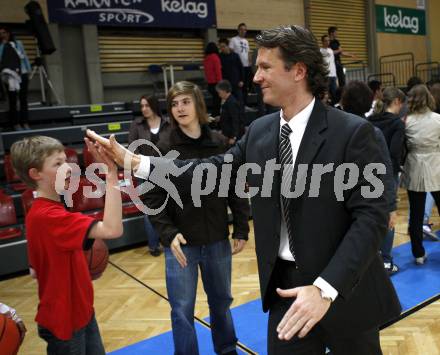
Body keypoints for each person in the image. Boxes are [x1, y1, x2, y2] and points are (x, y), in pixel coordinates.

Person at [87, 25, 401, 355]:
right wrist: (137, 163)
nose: (256, 77)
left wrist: (324, 289)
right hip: (285, 290)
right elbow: (209, 171)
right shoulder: (260, 132)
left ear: (298, 71)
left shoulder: (354, 132)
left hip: (344, 288)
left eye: (266, 67)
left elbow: (371, 219)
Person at [145, 81, 250, 355]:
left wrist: (241, 227)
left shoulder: (218, 142)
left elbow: (234, 187)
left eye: (185, 102)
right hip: (181, 245)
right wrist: (168, 234)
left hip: (216, 239)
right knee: (181, 310)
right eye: (174, 104)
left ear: (198, 105)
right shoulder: (163, 147)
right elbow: (152, 198)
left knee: (222, 303)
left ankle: (227, 350)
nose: (180, 108)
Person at [10, 135, 123, 354]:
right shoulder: (49, 216)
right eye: (58, 164)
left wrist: (78, 268)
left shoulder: (38, 211)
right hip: (66, 323)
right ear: (36, 174)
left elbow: (35, 271)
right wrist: (111, 174)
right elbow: (113, 229)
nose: (68, 168)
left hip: (79, 312)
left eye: (66, 161)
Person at [342, 82, 403, 275]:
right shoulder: (370, 131)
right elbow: (385, 169)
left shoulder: (336, 129)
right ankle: (383, 260)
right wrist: (391, 206)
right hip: (365, 196)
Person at [400, 84, 440, 264]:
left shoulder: (406, 121)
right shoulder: (438, 119)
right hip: (436, 165)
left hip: (414, 166)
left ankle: (418, 254)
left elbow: (404, 146)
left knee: (415, 213)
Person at [129, 95, 170, 256]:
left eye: (147, 105)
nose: (144, 109)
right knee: (149, 210)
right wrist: (141, 164)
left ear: (154, 106)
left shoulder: (167, 123)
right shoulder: (136, 125)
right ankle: (153, 246)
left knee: (168, 206)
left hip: (165, 170)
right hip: (144, 172)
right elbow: (132, 147)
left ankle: (168, 240)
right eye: (142, 106)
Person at [0, 26, 31, 131]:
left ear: (9, 33)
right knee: (12, 99)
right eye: (1, 33)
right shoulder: (1, 46)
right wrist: (4, 45)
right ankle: (15, 123)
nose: (3, 35)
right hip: (9, 75)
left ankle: (25, 122)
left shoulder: (18, 43)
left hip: (22, 73)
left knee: (23, 99)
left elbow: (24, 57)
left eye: (4, 32)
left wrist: (28, 69)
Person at [216, 79, 244, 145]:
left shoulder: (231, 102)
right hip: (228, 133)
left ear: (224, 91)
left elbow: (235, 120)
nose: (218, 95)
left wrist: (233, 137)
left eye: (219, 92)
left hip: (232, 136)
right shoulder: (227, 100)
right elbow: (229, 115)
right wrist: (221, 117)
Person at [229, 23, 252, 105]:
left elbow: (248, 53)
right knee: (238, 87)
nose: (243, 31)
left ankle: (244, 104)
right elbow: (231, 52)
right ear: (238, 30)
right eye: (241, 29)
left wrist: (250, 63)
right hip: (238, 67)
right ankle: (238, 104)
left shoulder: (246, 41)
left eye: (245, 30)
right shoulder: (233, 40)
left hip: (246, 67)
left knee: (246, 87)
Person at [218, 38, 244, 105]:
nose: (222, 48)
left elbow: (240, 68)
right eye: (220, 47)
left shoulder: (235, 55)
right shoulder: (220, 57)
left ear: (227, 46)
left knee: (240, 101)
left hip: (236, 82)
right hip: (226, 84)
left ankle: (241, 115)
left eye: (223, 46)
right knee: (228, 103)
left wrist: (241, 80)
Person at [203, 42, 222, 116]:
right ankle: (215, 119)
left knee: (215, 103)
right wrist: (220, 83)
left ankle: (213, 118)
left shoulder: (206, 58)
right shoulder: (215, 57)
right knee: (217, 104)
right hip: (216, 83)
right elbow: (218, 71)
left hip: (209, 84)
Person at [320, 34, 337, 104]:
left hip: (333, 74)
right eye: (325, 41)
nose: (327, 42)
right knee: (326, 93)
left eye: (328, 41)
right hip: (326, 75)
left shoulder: (331, 50)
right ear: (322, 42)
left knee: (334, 93)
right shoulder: (320, 51)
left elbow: (332, 62)